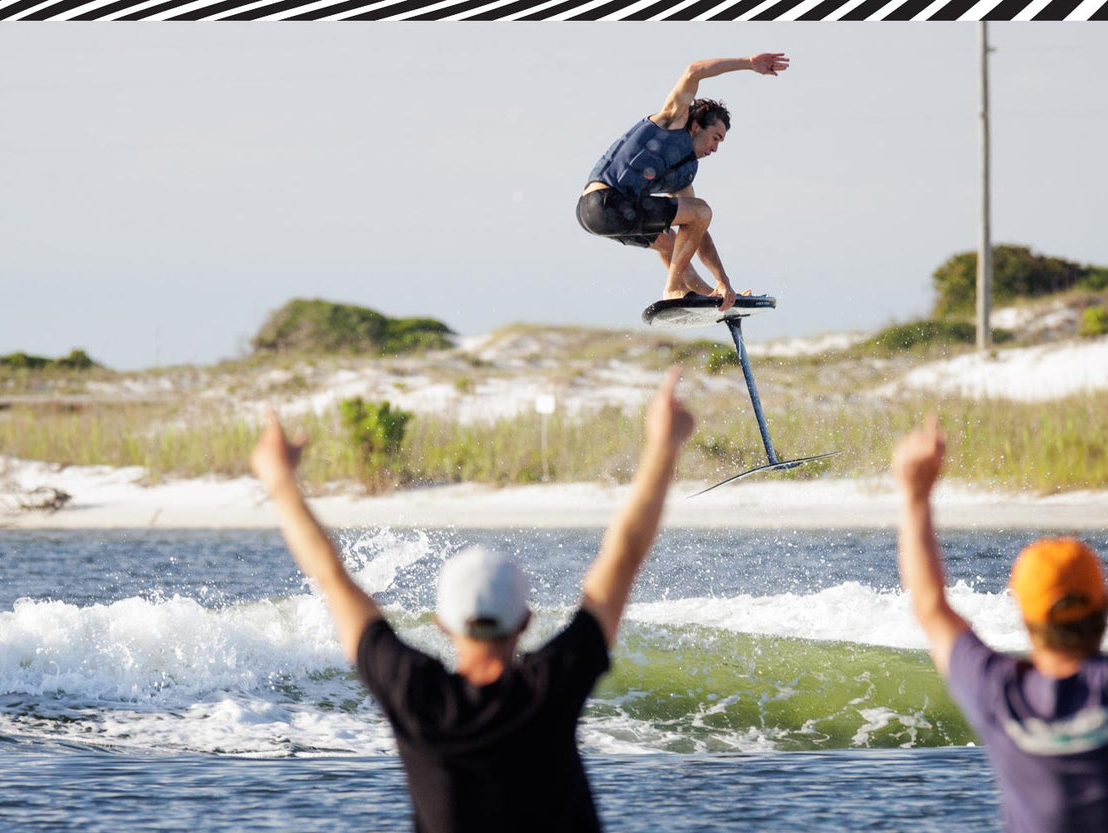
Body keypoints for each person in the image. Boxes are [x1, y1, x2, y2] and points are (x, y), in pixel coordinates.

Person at [250, 367, 697, 833]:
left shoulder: (415, 696)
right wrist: (664, 445)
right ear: (525, 621)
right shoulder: (549, 688)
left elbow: (331, 577)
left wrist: (279, 479)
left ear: (442, 624)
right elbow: (622, 556)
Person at [891, 371, 1108, 833]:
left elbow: (928, 605)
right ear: (1107, 607)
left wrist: (915, 493)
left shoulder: (1001, 696)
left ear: (1025, 617)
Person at [577, 53, 789, 313]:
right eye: (715, 138)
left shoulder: (685, 170)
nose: (715, 148)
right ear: (697, 125)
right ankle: (673, 289)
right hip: (605, 202)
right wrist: (747, 63)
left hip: (596, 215)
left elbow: (698, 231)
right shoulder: (674, 121)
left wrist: (723, 282)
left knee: (673, 240)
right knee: (700, 212)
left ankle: (710, 297)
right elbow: (693, 71)